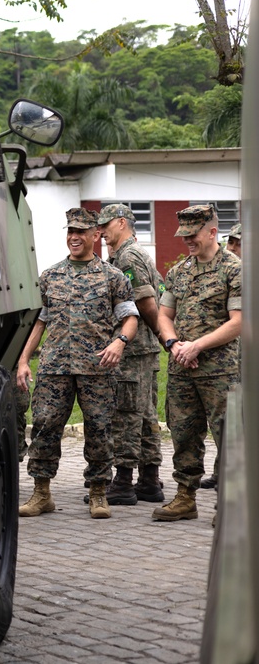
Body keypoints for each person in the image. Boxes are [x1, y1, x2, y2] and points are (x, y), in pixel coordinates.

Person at [16, 208, 139, 519]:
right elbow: (39, 322)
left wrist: (119, 343)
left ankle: (98, 493)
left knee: (99, 430)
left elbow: (130, 319)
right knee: (44, 427)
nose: (74, 237)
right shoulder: (50, 276)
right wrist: (23, 360)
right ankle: (41, 493)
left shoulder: (113, 277)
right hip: (54, 366)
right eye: (70, 231)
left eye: (81, 232)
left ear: (95, 235)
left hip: (97, 368)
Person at [153, 205, 241, 521]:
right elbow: (164, 315)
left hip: (220, 370)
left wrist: (197, 346)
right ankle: (185, 497)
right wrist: (174, 343)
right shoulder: (179, 271)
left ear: (212, 231)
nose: (187, 241)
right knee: (183, 432)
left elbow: (239, 321)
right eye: (184, 235)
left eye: (193, 235)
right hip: (182, 369)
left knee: (228, 434)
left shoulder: (234, 269)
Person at [90, 204, 166, 504]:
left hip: (133, 349)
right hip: (143, 349)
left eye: (106, 225)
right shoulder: (135, 252)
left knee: (126, 414)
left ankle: (123, 482)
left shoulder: (128, 256)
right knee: (146, 414)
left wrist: (164, 337)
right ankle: (149, 480)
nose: (102, 231)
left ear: (122, 223)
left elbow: (146, 302)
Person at [200, 221, 242, 490]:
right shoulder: (230, 273)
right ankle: (221, 471)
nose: (233, 246)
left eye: (240, 242)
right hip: (231, 356)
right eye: (232, 241)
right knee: (228, 417)